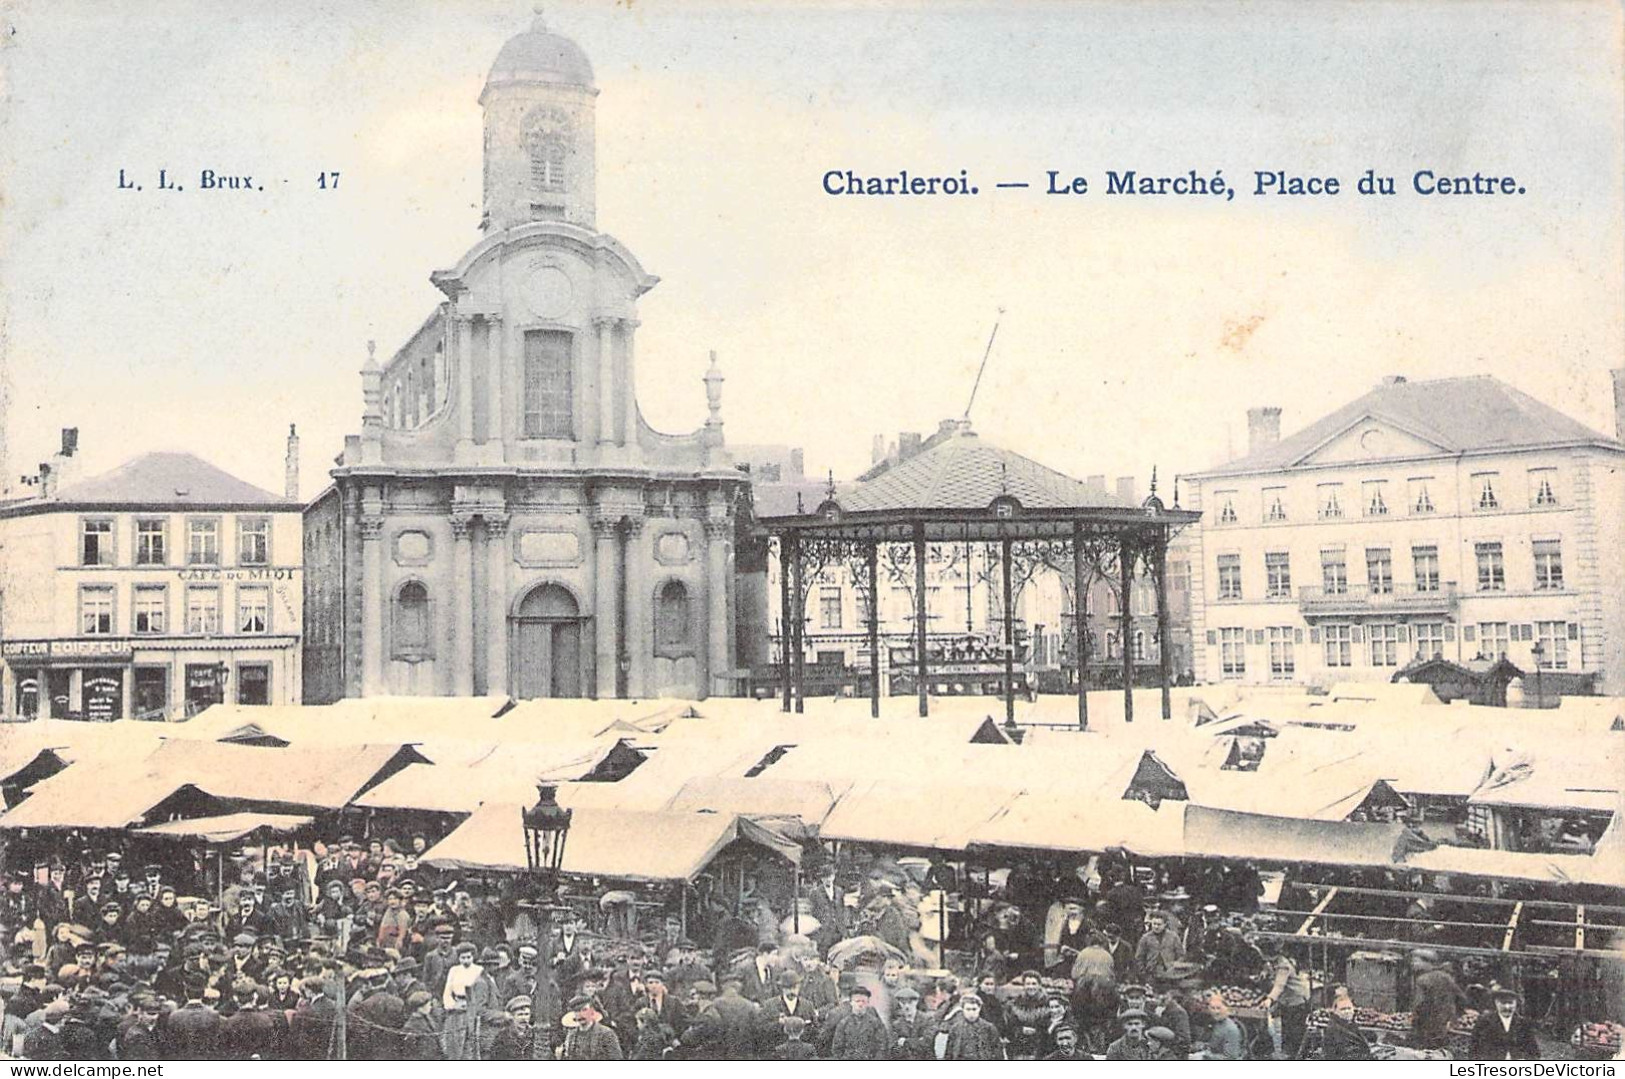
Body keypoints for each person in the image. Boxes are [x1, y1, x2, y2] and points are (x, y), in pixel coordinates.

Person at [1261, 940, 1311, 1059]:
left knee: (1295, 1028)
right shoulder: (1272, 963)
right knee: (1286, 1025)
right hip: (1286, 999)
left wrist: (1270, 999)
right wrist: (1264, 972)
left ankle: (1296, 1055)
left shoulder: (1284, 966)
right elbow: (1268, 969)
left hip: (1297, 998)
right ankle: (1287, 1052)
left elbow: (1279, 985)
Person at [1411, 951, 1469, 1051]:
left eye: (1416, 961)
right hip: (1445, 1026)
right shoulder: (1447, 977)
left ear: (1427, 962)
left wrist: (1414, 1022)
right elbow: (1462, 998)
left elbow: (1419, 1005)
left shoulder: (1422, 980)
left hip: (1427, 1027)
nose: (1412, 964)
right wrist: (1455, 1016)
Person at [1469, 985, 1540, 1061]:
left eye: (1510, 1003)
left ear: (1516, 1004)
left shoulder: (1524, 1024)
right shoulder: (1484, 1022)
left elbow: (1534, 1053)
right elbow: (1473, 1051)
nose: (1507, 1007)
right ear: (1496, 1003)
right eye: (1503, 1003)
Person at [829, 984, 888, 1060]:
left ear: (868, 1003)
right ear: (851, 1002)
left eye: (863, 1001)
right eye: (857, 1001)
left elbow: (882, 1047)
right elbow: (837, 1049)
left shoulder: (876, 1023)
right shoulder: (843, 1023)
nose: (860, 1004)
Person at [942, 992, 1004, 1060]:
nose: (971, 1013)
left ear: (979, 1008)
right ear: (962, 1009)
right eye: (968, 1009)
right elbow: (949, 1053)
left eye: (974, 1009)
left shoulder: (989, 1028)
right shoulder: (955, 1029)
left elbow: (998, 1053)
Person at [561, 996, 624, 1060]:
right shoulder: (571, 1036)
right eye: (577, 1011)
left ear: (592, 1011)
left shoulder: (606, 1034)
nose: (580, 1014)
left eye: (584, 1010)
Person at [1320, 987, 1373, 1061]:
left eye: (1349, 1008)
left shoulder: (1350, 1024)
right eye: (1343, 1009)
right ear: (1335, 1011)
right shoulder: (1335, 1030)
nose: (1347, 1012)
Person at [1135, 909, 1186, 983]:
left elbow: (1181, 955)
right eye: (1154, 924)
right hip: (1151, 974)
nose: (1156, 927)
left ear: (1165, 924)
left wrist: (1175, 967)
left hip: (1170, 975)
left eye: (1159, 924)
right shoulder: (1145, 938)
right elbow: (1139, 958)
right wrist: (1144, 974)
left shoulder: (1173, 936)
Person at [1198, 992, 1245, 1060]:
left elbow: (1230, 1058)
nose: (1216, 1012)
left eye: (1219, 1008)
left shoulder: (1231, 1029)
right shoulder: (1214, 1023)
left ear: (1227, 1009)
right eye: (1212, 1008)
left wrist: (1203, 1056)